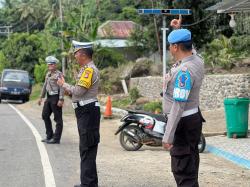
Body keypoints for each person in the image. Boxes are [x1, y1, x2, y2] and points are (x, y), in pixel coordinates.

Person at [162, 27, 205, 187]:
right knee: (190, 166)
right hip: (193, 120)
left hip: (183, 122)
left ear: (175, 47)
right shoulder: (197, 60)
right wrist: (178, 30)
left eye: (170, 45)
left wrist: (168, 136)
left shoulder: (184, 72)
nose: (169, 48)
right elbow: (190, 50)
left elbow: (178, 106)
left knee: (183, 170)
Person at [57, 40, 100, 187]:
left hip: (87, 112)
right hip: (85, 111)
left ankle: (88, 184)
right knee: (87, 147)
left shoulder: (89, 70)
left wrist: (64, 85)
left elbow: (79, 91)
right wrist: (68, 90)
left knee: (87, 148)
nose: (74, 56)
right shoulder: (85, 69)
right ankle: (89, 183)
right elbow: (77, 94)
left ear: (82, 54)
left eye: (75, 53)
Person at [38, 56, 64, 144]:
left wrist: (61, 99)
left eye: (52, 64)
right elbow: (45, 86)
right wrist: (40, 97)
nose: (50, 66)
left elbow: (62, 87)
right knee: (45, 115)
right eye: (48, 64)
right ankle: (49, 135)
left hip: (56, 97)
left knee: (58, 119)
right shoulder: (48, 74)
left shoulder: (59, 74)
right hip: (48, 97)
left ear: (55, 65)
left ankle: (56, 138)